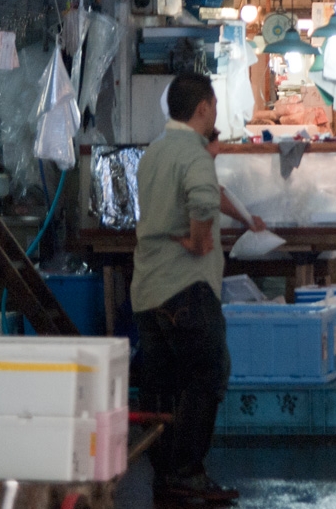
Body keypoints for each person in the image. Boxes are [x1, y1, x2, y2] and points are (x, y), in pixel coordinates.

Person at [133, 72, 265, 503]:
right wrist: (199, 240)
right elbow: (204, 199)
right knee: (208, 372)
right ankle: (187, 472)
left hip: (148, 290)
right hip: (186, 287)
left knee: (164, 382)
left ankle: (165, 475)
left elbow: (209, 189)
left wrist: (246, 219)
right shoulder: (191, 151)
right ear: (204, 107)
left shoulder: (154, 152)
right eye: (214, 108)